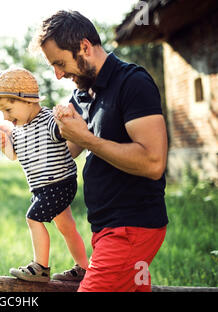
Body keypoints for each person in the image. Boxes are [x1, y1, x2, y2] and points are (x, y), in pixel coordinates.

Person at [33, 10, 169, 291]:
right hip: (105, 229)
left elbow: (153, 162)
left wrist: (88, 139)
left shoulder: (133, 82)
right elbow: (68, 149)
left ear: (84, 47)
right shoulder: (82, 94)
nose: (58, 75)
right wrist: (18, 132)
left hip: (132, 228)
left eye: (60, 63)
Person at [0, 68, 89, 282]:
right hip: (43, 187)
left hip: (59, 183)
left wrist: (66, 116)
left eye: (8, 109)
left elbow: (66, 130)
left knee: (33, 218)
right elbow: (14, 155)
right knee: (67, 226)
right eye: (2, 112)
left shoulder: (48, 120)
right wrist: (2, 142)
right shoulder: (20, 129)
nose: (5, 116)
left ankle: (40, 268)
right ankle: (85, 268)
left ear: (29, 100)